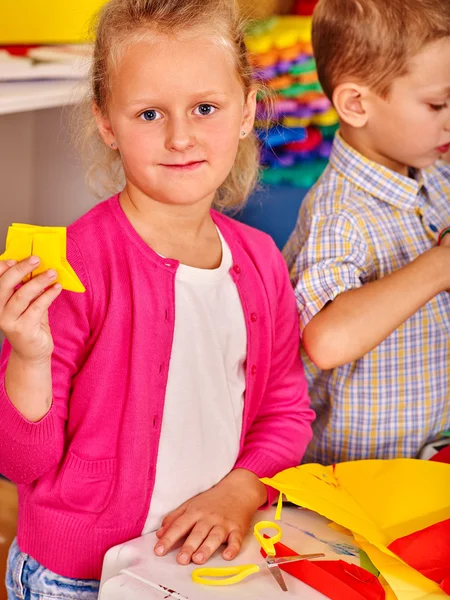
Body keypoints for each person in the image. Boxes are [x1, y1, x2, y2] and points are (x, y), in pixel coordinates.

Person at [0, 1, 314, 598]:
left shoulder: (260, 262)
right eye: (149, 113)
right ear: (106, 123)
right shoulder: (76, 265)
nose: (179, 136)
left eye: (205, 108)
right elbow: (21, 464)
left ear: (247, 111)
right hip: (76, 578)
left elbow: (284, 410)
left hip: (201, 572)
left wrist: (242, 489)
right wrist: (28, 356)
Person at [284, 0, 450, 466]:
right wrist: (438, 267)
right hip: (354, 479)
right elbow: (326, 338)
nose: (449, 119)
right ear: (357, 104)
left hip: (426, 460)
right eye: (437, 104)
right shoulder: (340, 213)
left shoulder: (434, 175)